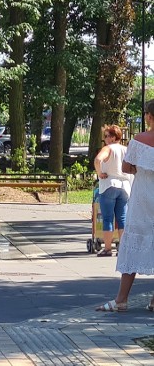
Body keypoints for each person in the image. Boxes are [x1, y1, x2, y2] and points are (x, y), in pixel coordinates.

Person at [97, 100, 154, 312]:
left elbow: (127, 167)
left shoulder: (139, 140)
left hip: (143, 197)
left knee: (133, 241)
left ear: (148, 116)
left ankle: (121, 299)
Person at [93, 125, 132, 257]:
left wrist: (100, 173)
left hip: (109, 184)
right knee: (122, 218)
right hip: (125, 186)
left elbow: (98, 160)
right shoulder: (126, 150)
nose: (105, 139)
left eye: (106, 136)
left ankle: (108, 248)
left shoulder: (108, 148)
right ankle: (123, 248)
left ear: (112, 137)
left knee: (108, 218)